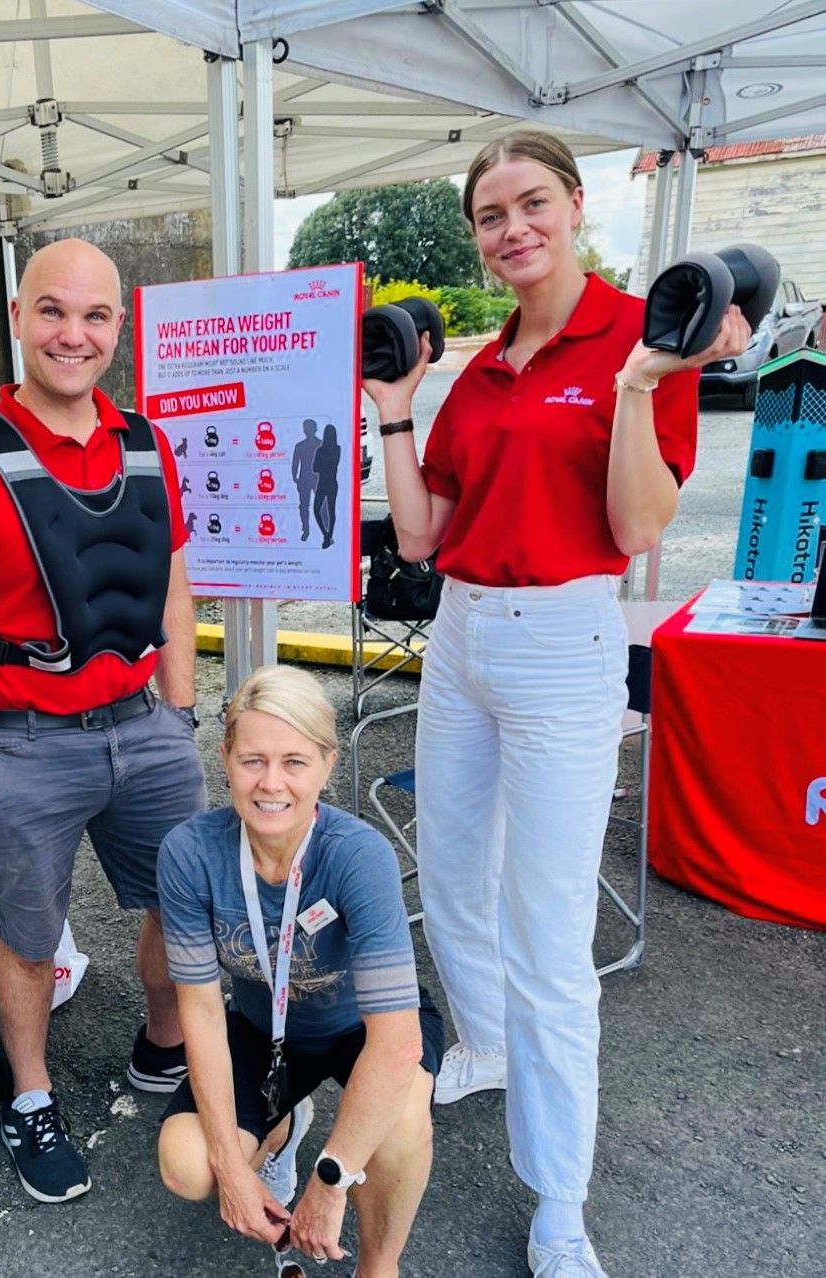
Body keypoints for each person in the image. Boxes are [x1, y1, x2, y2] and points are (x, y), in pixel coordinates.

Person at [361, 130, 750, 1277]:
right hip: (462, 636)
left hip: (562, 643)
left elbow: (637, 531)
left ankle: (557, 1199)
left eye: (531, 203)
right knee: (451, 874)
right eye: (490, 215)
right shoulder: (477, 372)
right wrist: (394, 404)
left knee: (545, 932)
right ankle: (482, 1045)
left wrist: (634, 389)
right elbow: (422, 537)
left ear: (575, 206)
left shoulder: (644, 336)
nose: (511, 228)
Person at [0, 238, 206, 1205]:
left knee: (180, 906)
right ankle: (31, 1094)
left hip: (143, 726)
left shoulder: (146, 443)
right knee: (27, 937)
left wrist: (181, 713)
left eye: (96, 315)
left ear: (120, 327)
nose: (75, 333)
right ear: (19, 317)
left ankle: (162, 1044)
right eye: (54, 312)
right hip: (22, 744)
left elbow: (174, 583)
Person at [157, 665, 443, 1277]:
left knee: (397, 1125)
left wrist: (329, 1178)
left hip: (362, 1030)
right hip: (265, 1028)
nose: (271, 783)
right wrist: (235, 1175)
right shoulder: (189, 852)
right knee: (188, 1165)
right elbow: (202, 1014)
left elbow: (396, 1043)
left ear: (327, 763)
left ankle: (378, 1266)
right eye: (252, 760)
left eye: (294, 762)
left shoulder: (357, 854)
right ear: (225, 756)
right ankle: (281, 1127)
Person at [291, 418, 321, 541]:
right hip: (306, 479)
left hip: (315, 478)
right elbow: (295, 463)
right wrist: (295, 478)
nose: (306, 430)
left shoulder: (320, 444)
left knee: (318, 506)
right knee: (304, 506)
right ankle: (306, 529)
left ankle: (325, 532)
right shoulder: (300, 446)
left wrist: (295, 477)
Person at [312, 423, 341, 549]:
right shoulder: (335, 449)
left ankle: (328, 536)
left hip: (325, 483)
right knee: (327, 511)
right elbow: (316, 467)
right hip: (329, 483)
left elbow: (317, 467)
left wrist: (323, 464)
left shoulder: (324, 450)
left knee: (326, 510)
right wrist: (326, 464)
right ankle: (327, 535)